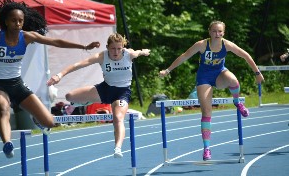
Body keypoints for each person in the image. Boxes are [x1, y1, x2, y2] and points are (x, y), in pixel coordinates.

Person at [0, 0, 100, 158]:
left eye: (20, 21)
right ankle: (7, 144)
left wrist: (83, 46)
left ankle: (37, 120)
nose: (18, 24)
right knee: (3, 110)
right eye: (14, 20)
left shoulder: (27, 37)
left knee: (49, 122)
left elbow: (56, 42)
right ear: (6, 21)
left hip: (17, 84)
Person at [159, 20, 264, 161]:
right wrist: (167, 70)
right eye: (214, 31)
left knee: (233, 80)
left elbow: (246, 55)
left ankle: (237, 102)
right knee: (207, 112)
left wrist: (257, 73)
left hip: (220, 75)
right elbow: (184, 56)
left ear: (223, 33)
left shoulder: (226, 45)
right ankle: (207, 148)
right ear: (209, 32)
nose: (217, 34)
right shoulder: (202, 45)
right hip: (204, 79)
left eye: (220, 31)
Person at [47, 33, 150, 158]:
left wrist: (144, 51)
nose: (116, 52)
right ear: (107, 47)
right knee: (69, 96)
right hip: (105, 89)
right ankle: (88, 101)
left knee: (118, 118)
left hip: (122, 93)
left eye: (119, 49)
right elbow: (78, 65)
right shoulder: (102, 56)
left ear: (123, 48)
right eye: (113, 49)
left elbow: (138, 52)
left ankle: (118, 147)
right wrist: (59, 75)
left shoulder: (129, 54)